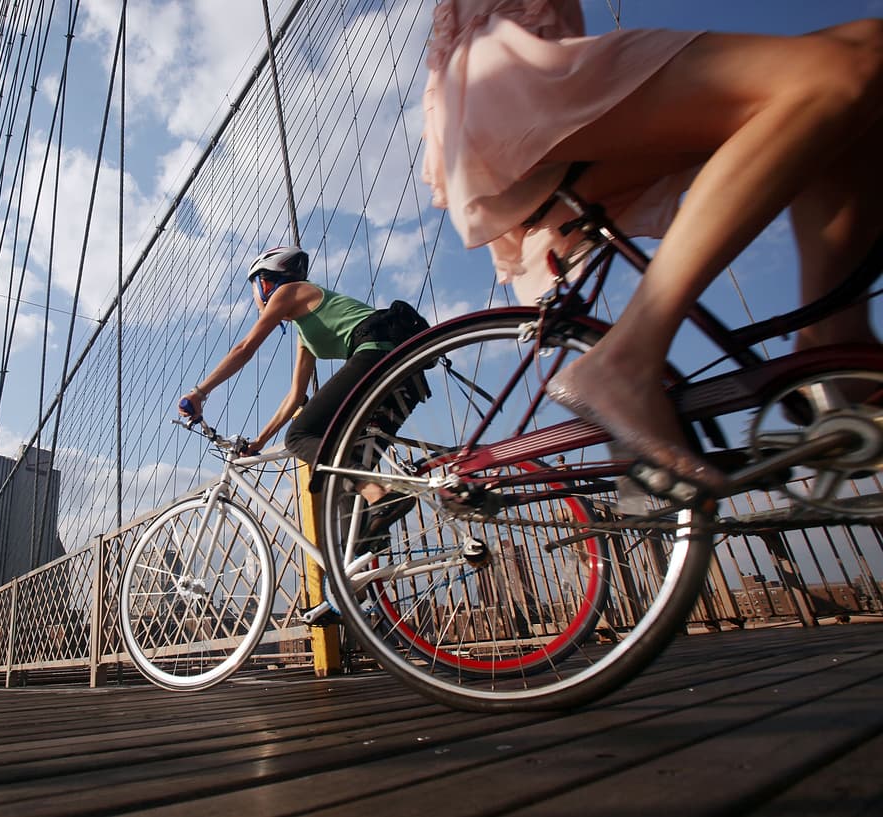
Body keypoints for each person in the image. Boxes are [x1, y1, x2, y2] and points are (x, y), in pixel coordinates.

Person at [421, 0, 883, 493]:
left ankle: (832, 343)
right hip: (509, 80)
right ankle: (625, 359)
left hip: (516, 76)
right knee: (837, 74)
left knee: (870, 49)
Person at [177, 246, 426, 541]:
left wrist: (199, 392)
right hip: (406, 376)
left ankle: (379, 494)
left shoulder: (290, 291)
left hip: (377, 353)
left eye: (253, 288)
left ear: (264, 283)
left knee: (299, 437)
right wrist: (259, 442)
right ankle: (363, 549)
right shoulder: (305, 331)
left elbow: (244, 349)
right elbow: (295, 395)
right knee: (342, 471)